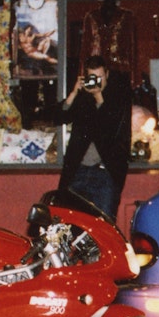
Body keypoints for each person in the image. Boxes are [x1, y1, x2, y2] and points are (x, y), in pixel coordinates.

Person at [55, 55, 133, 219]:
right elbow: (60, 117)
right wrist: (74, 92)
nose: (96, 82)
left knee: (104, 226)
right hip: (79, 171)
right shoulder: (83, 99)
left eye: (100, 77)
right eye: (92, 77)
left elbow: (112, 127)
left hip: (105, 174)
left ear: (107, 75)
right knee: (71, 224)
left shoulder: (118, 97)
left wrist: (98, 96)